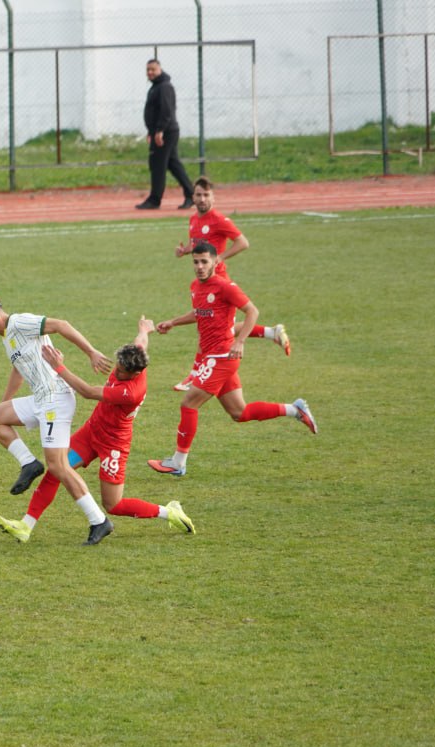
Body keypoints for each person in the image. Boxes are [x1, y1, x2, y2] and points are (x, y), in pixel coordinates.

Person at [0, 316, 195, 543]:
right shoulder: (134, 357)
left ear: (135, 374)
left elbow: (89, 392)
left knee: (113, 504)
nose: (116, 373)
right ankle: (26, 525)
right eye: (117, 367)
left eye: (120, 372)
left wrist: (58, 367)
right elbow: (141, 342)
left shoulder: (130, 391)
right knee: (56, 469)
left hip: (114, 444)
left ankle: (168, 512)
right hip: (91, 433)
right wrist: (145, 329)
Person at [148, 242, 317, 477]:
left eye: (204, 261)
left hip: (222, 356)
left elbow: (252, 311)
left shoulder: (225, 286)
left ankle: (178, 462)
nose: (199, 266)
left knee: (188, 403)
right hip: (212, 356)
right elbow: (200, 312)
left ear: (216, 262)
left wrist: (240, 341)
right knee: (239, 412)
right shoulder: (195, 286)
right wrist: (174, 322)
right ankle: (294, 409)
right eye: (195, 262)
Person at [0, 291, 117, 545]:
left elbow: (61, 325)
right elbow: (19, 368)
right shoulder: (7, 337)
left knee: (59, 466)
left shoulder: (19, 322)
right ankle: (29, 464)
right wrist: (6, 401)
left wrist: (91, 352)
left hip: (55, 398)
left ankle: (99, 521)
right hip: (40, 399)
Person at [170, 176, 291, 391]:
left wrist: (221, 257)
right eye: (198, 195)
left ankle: (195, 374)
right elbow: (195, 243)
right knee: (216, 326)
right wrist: (185, 251)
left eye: (206, 195)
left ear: (213, 197)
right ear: (192, 197)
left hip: (219, 282)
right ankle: (271, 332)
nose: (202, 199)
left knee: (210, 327)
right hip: (204, 282)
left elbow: (243, 242)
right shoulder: (193, 220)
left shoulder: (219, 220)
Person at [137, 58, 192, 211]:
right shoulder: (156, 87)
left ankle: (155, 200)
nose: (150, 73)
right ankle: (191, 194)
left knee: (158, 165)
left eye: (153, 69)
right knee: (173, 165)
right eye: (148, 70)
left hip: (166, 132)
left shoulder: (164, 87)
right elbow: (153, 112)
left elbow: (166, 111)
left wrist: (160, 131)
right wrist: (151, 131)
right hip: (160, 132)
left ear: (159, 70)